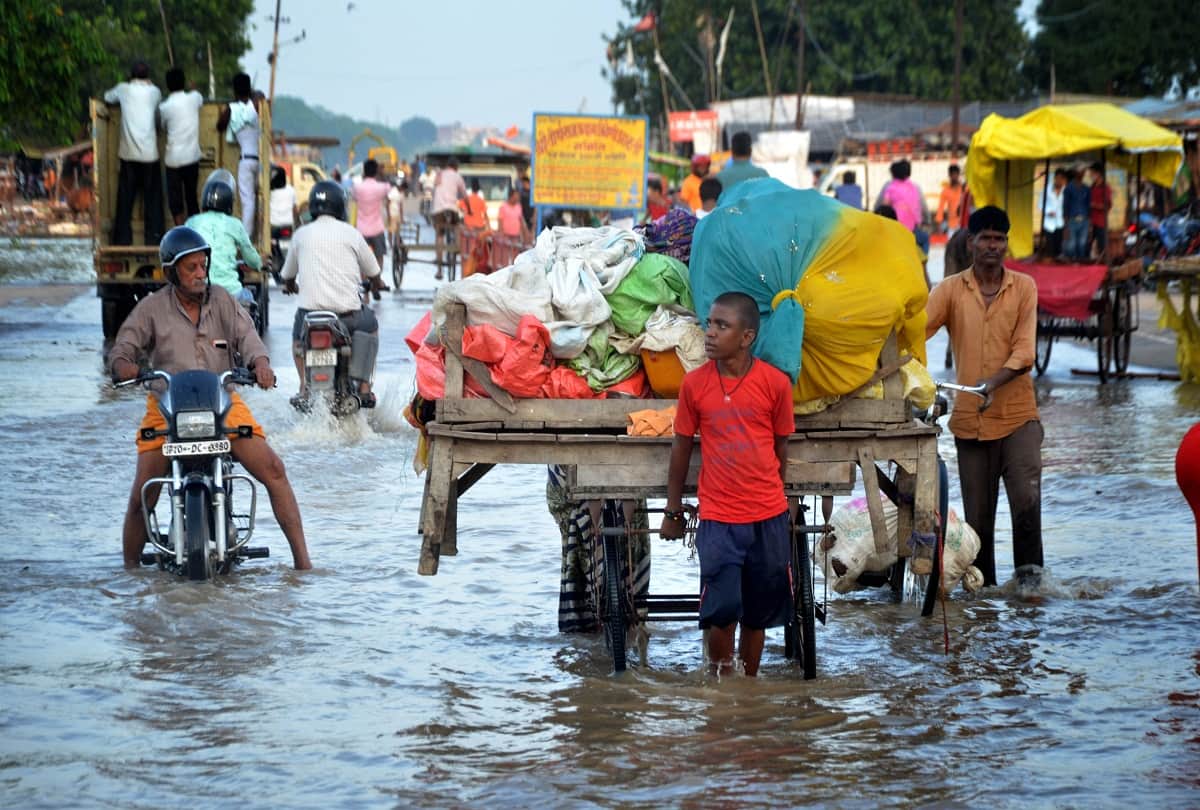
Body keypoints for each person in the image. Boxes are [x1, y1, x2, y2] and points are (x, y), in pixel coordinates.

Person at [108, 226, 312, 571]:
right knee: (142, 493)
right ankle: (129, 574)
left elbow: (248, 337)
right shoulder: (151, 308)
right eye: (192, 268)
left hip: (223, 404)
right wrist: (123, 365)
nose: (201, 274)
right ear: (171, 272)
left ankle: (304, 565)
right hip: (166, 408)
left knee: (275, 470)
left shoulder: (222, 301)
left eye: (204, 266)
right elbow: (123, 347)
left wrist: (260, 365)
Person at [660, 291, 795, 677]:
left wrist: (777, 497)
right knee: (721, 611)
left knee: (757, 614)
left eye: (723, 325)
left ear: (747, 336)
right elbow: (682, 448)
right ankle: (722, 683)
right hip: (719, 518)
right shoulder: (695, 385)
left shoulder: (775, 384)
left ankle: (747, 687)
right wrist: (673, 510)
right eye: (710, 323)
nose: (711, 332)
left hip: (766, 517)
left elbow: (780, 446)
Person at [925, 205, 1043, 588]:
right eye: (986, 238)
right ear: (971, 242)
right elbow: (916, 332)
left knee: (1027, 504)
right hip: (971, 424)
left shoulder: (1024, 287)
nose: (993, 246)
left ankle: (1031, 593)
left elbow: (1025, 354)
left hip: (1019, 417)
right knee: (978, 525)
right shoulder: (951, 290)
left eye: (1000, 239)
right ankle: (985, 601)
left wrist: (991, 384)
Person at [280, 181, 384, 408]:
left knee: (298, 338)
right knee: (372, 325)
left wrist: (290, 285)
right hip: (349, 316)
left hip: (310, 317)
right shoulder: (352, 233)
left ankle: (304, 386)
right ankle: (365, 388)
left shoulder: (301, 234)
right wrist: (378, 283)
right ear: (340, 206)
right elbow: (374, 271)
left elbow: (287, 275)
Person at [103, 60, 163, 246]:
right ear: (148, 76)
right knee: (153, 202)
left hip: (128, 155)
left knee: (125, 202)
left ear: (131, 75)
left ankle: (122, 240)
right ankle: (154, 240)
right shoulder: (155, 92)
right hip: (149, 155)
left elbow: (106, 97)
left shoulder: (123, 89)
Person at [185, 170, 261, 307]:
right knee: (249, 299)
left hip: (197, 290)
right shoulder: (234, 224)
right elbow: (252, 259)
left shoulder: (192, 222)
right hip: (230, 293)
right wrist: (259, 264)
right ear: (229, 203)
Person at [158, 66, 203, 226]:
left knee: (176, 203)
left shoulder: (164, 107)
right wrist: (193, 89)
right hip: (192, 157)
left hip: (173, 160)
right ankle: (196, 233)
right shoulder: (194, 98)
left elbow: (163, 126)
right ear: (184, 82)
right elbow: (199, 98)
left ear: (167, 85)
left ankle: (180, 233)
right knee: (191, 198)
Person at [217, 73, 260, 238]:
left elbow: (220, 126)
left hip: (246, 160)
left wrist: (231, 105)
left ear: (234, 90)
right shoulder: (257, 106)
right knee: (259, 200)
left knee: (248, 202)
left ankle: (246, 238)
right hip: (260, 160)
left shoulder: (232, 109)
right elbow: (260, 96)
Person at [352, 159, 391, 298]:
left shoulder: (357, 187)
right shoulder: (382, 187)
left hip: (361, 229)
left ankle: (365, 289)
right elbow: (388, 187)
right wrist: (382, 174)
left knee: (362, 260)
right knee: (379, 256)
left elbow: (355, 198)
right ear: (376, 171)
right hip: (376, 228)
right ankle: (376, 282)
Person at [879, 160, 929, 253]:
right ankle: (923, 264)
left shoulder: (890, 188)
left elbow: (884, 208)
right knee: (925, 239)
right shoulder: (914, 187)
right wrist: (925, 221)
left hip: (895, 230)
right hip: (912, 230)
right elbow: (921, 207)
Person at [430, 159, 467, 280]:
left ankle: (439, 269)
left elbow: (434, 188)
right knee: (457, 227)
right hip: (451, 208)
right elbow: (464, 195)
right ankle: (457, 247)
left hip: (438, 209)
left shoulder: (439, 174)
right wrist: (470, 209)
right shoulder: (457, 176)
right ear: (456, 167)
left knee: (439, 236)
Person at [1062, 168, 1091, 260]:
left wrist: (1089, 222)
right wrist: (1066, 225)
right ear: (1075, 173)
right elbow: (1065, 206)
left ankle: (1081, 262)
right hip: (1072, 219)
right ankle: (1072, 262)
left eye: (1083, 172)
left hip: (1084, 219)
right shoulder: (1068, 188)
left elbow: (1088, 205)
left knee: (1082, 243)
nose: (1082, 174)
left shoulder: (1086, 188)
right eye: (1080, 172)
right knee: (1072, 243)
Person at [1088, 162, 1112, 261]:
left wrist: (1094, 205)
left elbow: (1107, 206)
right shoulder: (1092, 187)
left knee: (1102, 245)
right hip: (1091, 221)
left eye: (1092, 173)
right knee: (1088, 245)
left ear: (1098, 174)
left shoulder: (1105, 188)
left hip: (1101, 222)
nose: (1090, 175)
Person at [1041, 168, 1066, 258]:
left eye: (1061, 179)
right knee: (1050, 246)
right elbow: (1040, 204)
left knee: (1059, 246)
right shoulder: (1046, 190)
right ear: (1054, 178)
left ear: (1064, 180)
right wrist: (1048, 211)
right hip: (1049, 223)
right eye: (1057, 178)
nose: (1059, 181)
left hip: (1060, 222)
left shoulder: (1066, 190)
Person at [935, 164, 965, 234]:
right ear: (949, 175)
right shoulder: (945, 191)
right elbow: (940, 208)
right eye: (952, 174)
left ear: (958, 175)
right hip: (951, 225)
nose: (954, 176)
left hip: (963, 224)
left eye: (956, 174)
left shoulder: (964, 189)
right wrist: (939, 223)